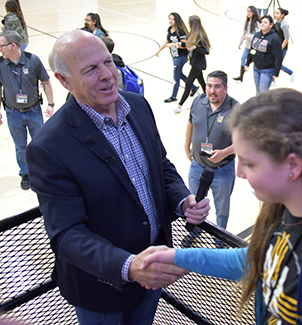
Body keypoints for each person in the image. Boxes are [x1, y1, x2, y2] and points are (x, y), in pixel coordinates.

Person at [142, 88, 302, 324]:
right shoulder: (286, 210)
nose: (240, 172)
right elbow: (260, 259)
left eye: (250, 163)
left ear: (292, 166)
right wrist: (179, 258)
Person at [25, 30, 210, 325]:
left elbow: (160, 165)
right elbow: (67, 235)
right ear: (64, 80)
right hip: (101, 289)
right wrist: (129, 266)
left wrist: (181, 200)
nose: (107, 75)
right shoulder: (49, 147)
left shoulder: (137, 105)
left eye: (108, 62)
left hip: (151, 274)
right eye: (90, 69)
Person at [0, 30, 54, 190]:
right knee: (20, 145)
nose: (0, 49)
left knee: (39, 142)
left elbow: (46, 82)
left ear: (13, 45)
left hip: (33, 111)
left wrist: (50, 104)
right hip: (13, 113)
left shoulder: (33, 60)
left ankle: (43, 171)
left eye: (2, 46)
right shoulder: (1, 64)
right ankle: (25, 173)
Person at [185, 70, 239, 229]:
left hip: (222, 170)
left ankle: (220, 240)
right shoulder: (198, 101)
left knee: (222, 210)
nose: (212, 91)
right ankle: (194, 232)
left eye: (217, 86)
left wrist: (224, 153)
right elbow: (190, 123)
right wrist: (186, 146)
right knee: (195, 204)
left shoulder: (236, 109)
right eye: (209, 86)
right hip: (197, 166)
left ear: (226, 88)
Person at [156, 12, 198, 103]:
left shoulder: (181, 31)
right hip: (175, 57)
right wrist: (160, 49)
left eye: (173, 19)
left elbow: (185, 45)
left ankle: (174, 96)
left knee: (176, 77)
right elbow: (167, 41)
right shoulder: (170, 29)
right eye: (169, 18)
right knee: (179, 74)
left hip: (181, 57)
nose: (170, 21)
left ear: (176, 20)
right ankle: (193, 87)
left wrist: (173, 45)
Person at [174, 15, 211, 114]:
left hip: (198, 64)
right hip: (195, 63)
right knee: (202, 83)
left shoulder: (200, 35)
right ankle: (210, 99)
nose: (188, 24)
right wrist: (181, 45)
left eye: (189, 22)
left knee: (188, 84)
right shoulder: (193, 34)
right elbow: (189, 45)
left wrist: (195, 47)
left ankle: (179, 105)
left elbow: (206, 51)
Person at [245, 15, 283, 94]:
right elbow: (252, 50)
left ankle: (266, 105)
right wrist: (247, 63)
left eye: (265, 22)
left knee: (263, 92)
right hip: (256, 68)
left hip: (267, 70)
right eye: (261, 22)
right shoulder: (257, 35)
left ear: (271, 25)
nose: (262, 24)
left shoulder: (274, 38)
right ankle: (259, 106)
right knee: (258, 90)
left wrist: (276, 72)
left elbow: (278, 56)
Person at [233, 6, 260, 83]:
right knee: (243, 59)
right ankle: (241, 76)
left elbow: (257, 35)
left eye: (250, 11)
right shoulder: (246, 22)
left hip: (254, 47)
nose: (248, 13)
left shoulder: (257, 23)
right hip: (247, 46)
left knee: (254, 61)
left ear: (254, 13)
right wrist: (240, 43)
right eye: (247, 11)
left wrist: (248, 37)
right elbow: (243, 33)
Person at [274, 8, 295, 83]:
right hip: (276, 47)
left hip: (282, 47)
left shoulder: (284, 25)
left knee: (277, 64)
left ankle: (291, 73)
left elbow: (286, 38)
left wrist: (281, 48)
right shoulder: (276, 22)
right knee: (274, 63)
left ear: (282, 15)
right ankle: (272, 80)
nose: (275, 15)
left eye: (277, 13)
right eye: (275, 13)